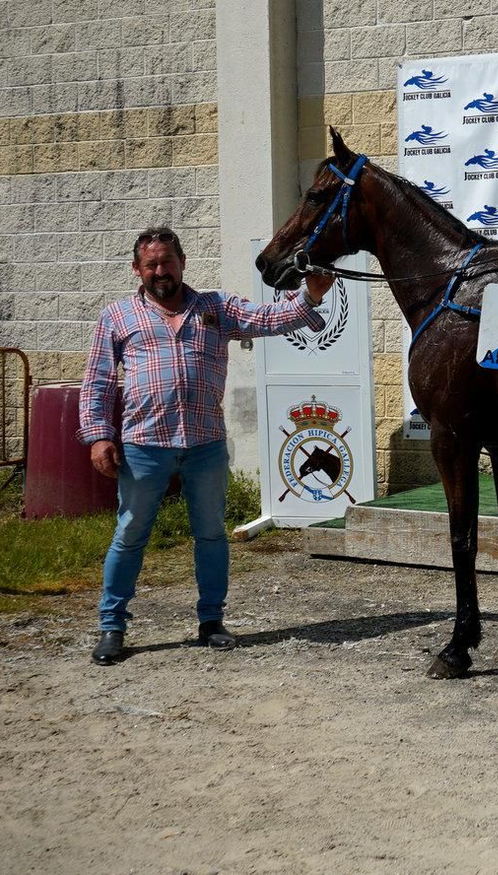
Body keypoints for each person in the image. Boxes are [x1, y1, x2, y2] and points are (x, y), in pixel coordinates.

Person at [80, 227, 332, 666]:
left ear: (182, 262)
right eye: (151, 265)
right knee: (130, 535)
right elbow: (98, 382)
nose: (161, 271)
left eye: (168, 262)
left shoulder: (216, 307)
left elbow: (268, 319)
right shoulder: (117, 317)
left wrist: (309, 297)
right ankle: (112, 626)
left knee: (212, 535)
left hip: (205, 445)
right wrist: (99, 435)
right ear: (137, 270)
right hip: (144, 445)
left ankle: (211, 622)